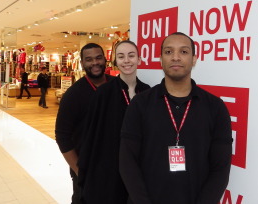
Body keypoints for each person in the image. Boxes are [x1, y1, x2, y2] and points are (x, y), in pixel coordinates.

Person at [119, 32, 233, 204]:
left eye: (184, 52)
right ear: (160, 59)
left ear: (194, 59)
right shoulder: (140, 104)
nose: (176, 57)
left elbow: (220, 169)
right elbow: (127, 162)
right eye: (169, 52)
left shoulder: (215, 107)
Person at [78, 40, 150, 204]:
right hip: (109, 170)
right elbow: (91, 135)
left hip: (139, 169)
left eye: (131, 56)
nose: (126, 61)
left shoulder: (148, 93)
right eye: (121, 56)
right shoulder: (103, 93)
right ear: (115, 61)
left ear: (139, 59)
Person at [55, 43, 114, 204]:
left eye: (98, 58)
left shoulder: (116, 86)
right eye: (89, 59)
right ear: (82, 63)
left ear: (105, 59)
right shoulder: (73, 95)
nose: (95, 63)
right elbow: (62, 136)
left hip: (114, 168)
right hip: (87, 169)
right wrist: (80, 172)